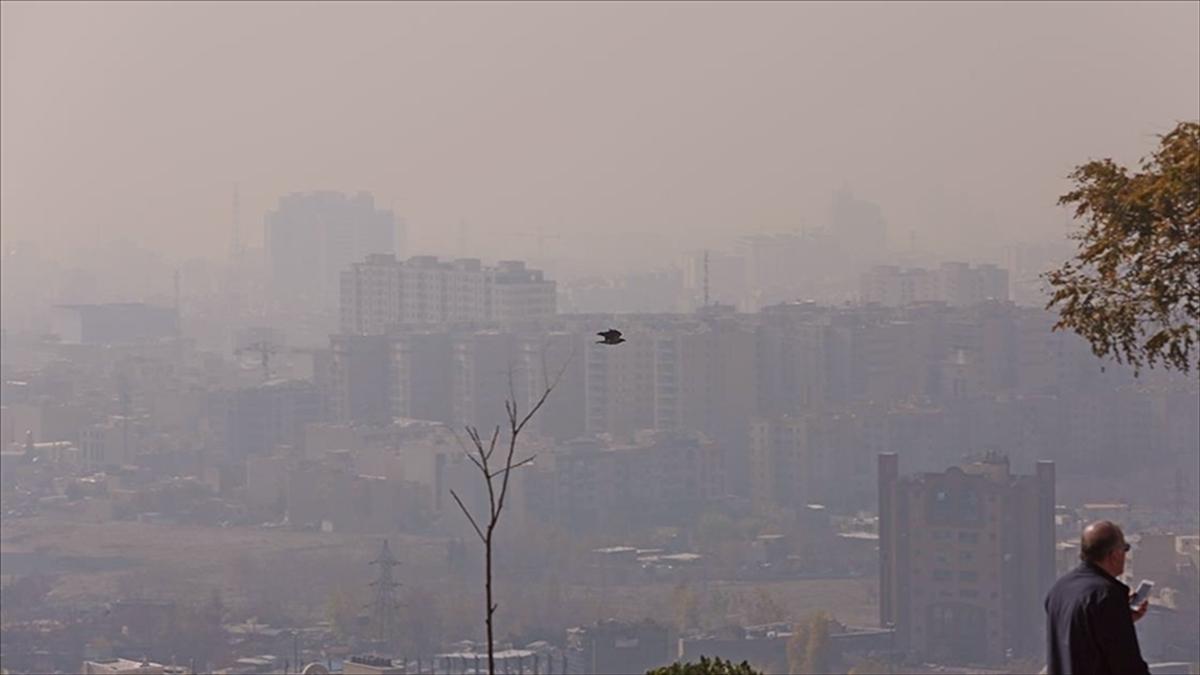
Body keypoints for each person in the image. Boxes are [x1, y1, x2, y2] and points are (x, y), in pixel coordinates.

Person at [1044, 520, 1150, 675]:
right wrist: (1118, 617)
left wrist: (1123, 618)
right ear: (1114, 554)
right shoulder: (1106, 596)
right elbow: (1127, 664)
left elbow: (1078, 639)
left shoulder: (1060, 589)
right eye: (1125, 549)